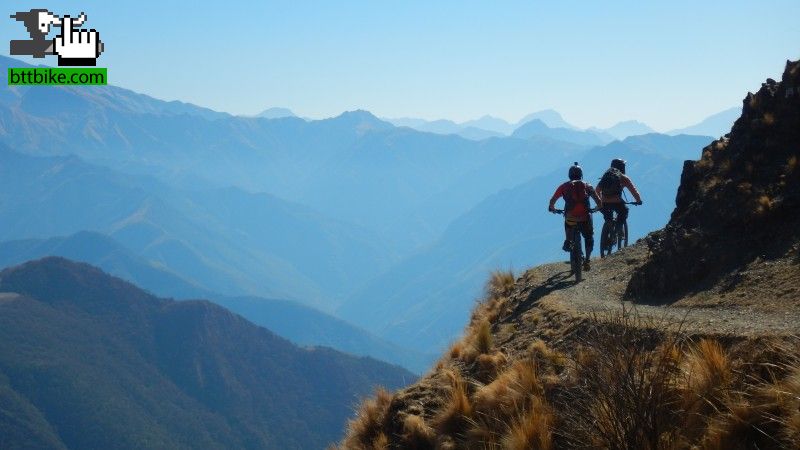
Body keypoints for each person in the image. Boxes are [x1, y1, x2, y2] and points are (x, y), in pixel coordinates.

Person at [548, 162, 603, 271]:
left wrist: (552, 208)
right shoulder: (588, 186)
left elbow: (552, 200)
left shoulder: (563, 187)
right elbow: (599, 202)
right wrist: (597, 208)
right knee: (588, 237)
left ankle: (568, 240)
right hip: (585, 219)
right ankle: (587, 260)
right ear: (581, 174)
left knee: (568, 223)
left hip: (571, 218)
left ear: (569, 175)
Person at [596, 159, 643, 230]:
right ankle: (619, 227)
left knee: (607, 216)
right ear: (622, 167)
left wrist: (599, 202)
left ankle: (608, 229)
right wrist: (638, 200)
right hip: (617, 202)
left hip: (604, 203)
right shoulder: (624, 178)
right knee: (624, 211)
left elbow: (597, 190)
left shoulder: (605, 176)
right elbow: (633, 191)